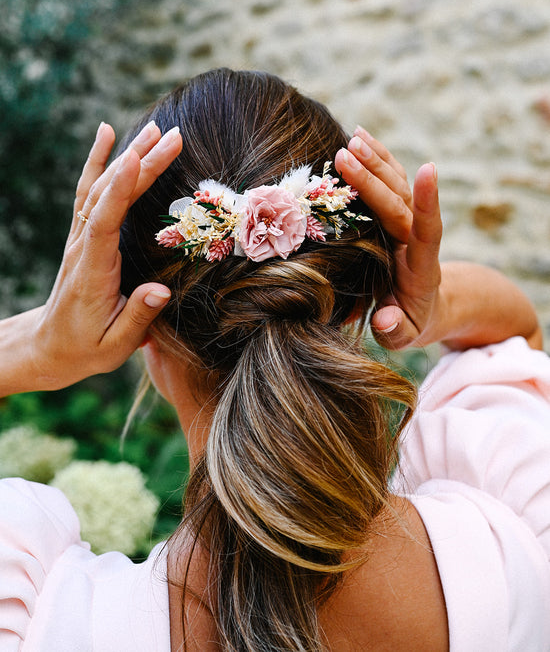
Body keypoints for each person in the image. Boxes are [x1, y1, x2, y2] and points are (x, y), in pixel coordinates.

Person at [0, 67, 548, 652]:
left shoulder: (47, 620)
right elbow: (513, 332)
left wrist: (37, 350)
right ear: (355, 301)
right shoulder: (512, 532)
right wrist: (422, 304)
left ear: (142, 328)